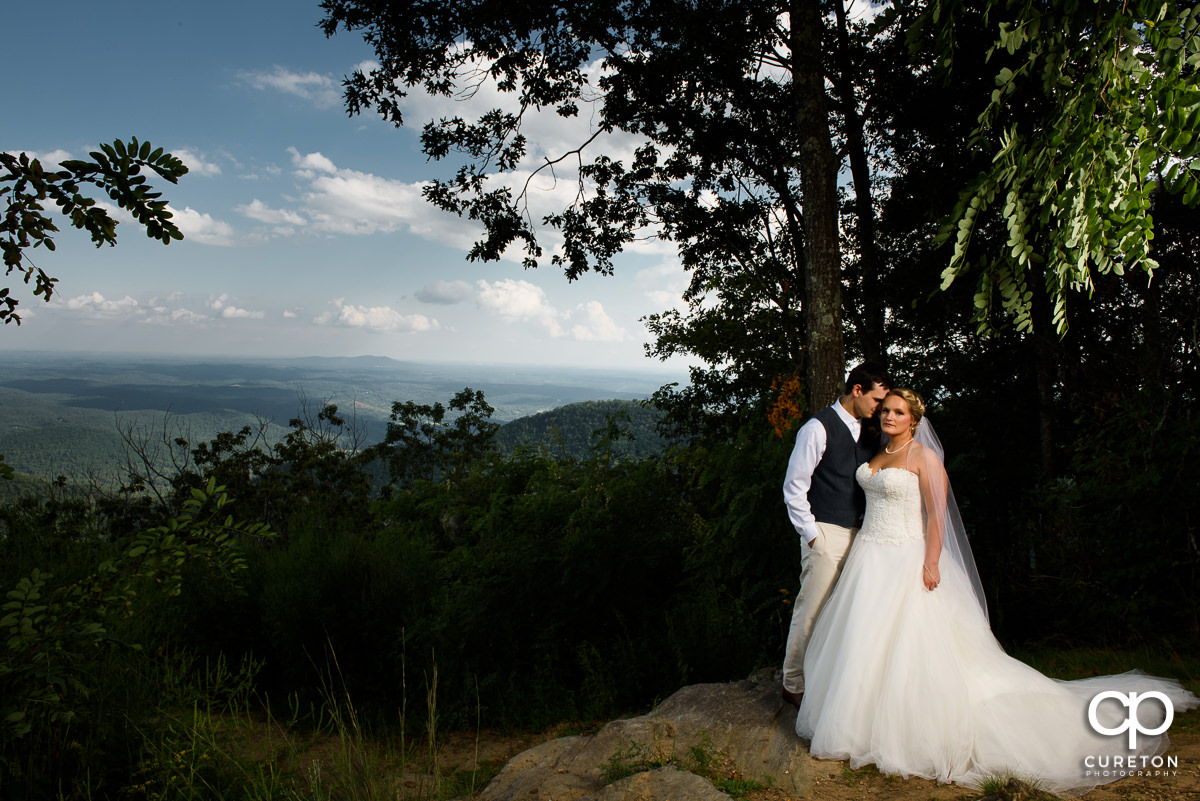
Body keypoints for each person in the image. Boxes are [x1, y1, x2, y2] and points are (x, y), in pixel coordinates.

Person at [795, 389, 1199, 795]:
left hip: (907, 556)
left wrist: (931, 562)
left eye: (898, 412)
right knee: (865, 641)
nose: (889, 417)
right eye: (885, 411)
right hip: (870, 557)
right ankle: (858, 723)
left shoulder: (924, 457)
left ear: (914, 420)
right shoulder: (878, 455)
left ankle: (914, 730)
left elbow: (937, 514)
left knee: (912, 646)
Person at [781, 362, 892, 708]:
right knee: (811, 609)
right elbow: (794, 488)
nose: (880, 408)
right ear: (857, 391)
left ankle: (828, 680)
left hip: (864, 535)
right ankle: (793, 682)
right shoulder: (817, 428)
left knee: (846, 614)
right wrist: (814, 536)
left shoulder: (870, 429)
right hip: (826, 532)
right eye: (877, 399)